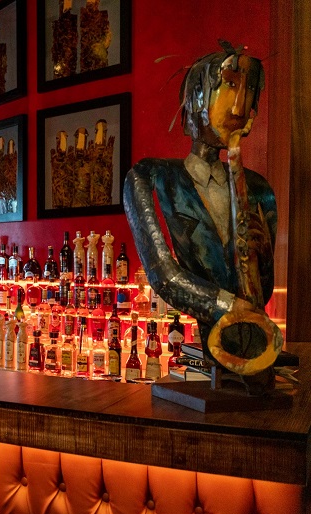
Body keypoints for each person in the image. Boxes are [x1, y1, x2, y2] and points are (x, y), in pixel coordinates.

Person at [123, 41, 279, 388]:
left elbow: (263, 289)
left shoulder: (259, 189)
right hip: (218, 336)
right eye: (231, 86)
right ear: (196, 100)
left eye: (249, 91)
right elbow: (164, 275)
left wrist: (263, 256)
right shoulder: (150, 177)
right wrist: (228, 306)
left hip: (252, 346)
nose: (242, 106)